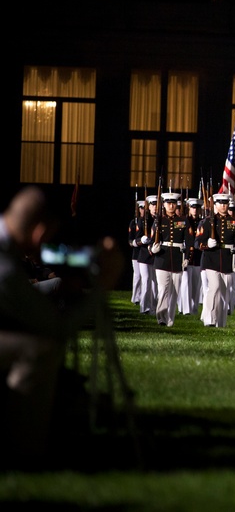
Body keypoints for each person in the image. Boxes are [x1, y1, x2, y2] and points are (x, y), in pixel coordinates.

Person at [1, 186, 122, 465]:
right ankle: (26, 450)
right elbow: (57, 329)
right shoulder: (6, 267)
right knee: (40, 348)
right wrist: (102, 286)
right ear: (40, 232)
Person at [196, 192, 235, 327]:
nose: (223, 206)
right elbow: (197, 242)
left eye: (225, 203)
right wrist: (206, 244)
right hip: (211, 258)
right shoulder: (207, 222)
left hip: (227, 259)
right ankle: (209, 318)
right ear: (215, 205)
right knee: (214, 287)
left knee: (224, 292)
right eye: (220, 203)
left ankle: (220, 322)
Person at [148, 192, 187, 327]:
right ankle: (161, 318)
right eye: (168, 203)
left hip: (177, 258)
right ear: (163, 205)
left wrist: (187, 257)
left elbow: (189, 240)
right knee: (163, 289)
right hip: (162, 258)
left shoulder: (183, 220)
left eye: (173, 203)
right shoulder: (159, 221)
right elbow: (151, 240)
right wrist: (152, 249)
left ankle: (170, 318)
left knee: (174, 291)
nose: (171, 205)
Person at [177, 197, 203, 316]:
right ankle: (185, 308)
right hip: (186, 255)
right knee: (185, 283)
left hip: (198, 256)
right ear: (189, 208)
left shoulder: (202, 222)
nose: (195, 210)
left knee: (196, 284)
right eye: (193, 208)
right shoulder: (184, 221)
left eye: (197, 208)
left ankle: (194, 308)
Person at [127, 199, 145, 305]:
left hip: (146, 253)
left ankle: (143, 297)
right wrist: (136, 242)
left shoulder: (149, 221)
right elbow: (130, 239)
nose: (143, 210)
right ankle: (136, 297)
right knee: (138, 276)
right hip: (137, 252)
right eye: (141, 208)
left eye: (144, 208)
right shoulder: (134, 222)